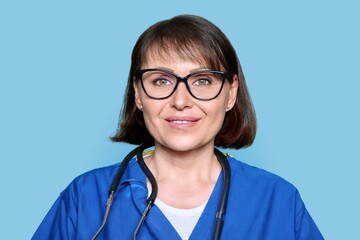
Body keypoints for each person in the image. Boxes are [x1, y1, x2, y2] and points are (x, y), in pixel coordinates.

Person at [33, 15, 324, 240]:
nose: (181, 100)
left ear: (231, 93)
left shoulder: (278, 201)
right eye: (161, 81)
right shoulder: (85, 199)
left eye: (203, 81)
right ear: (138, 93)